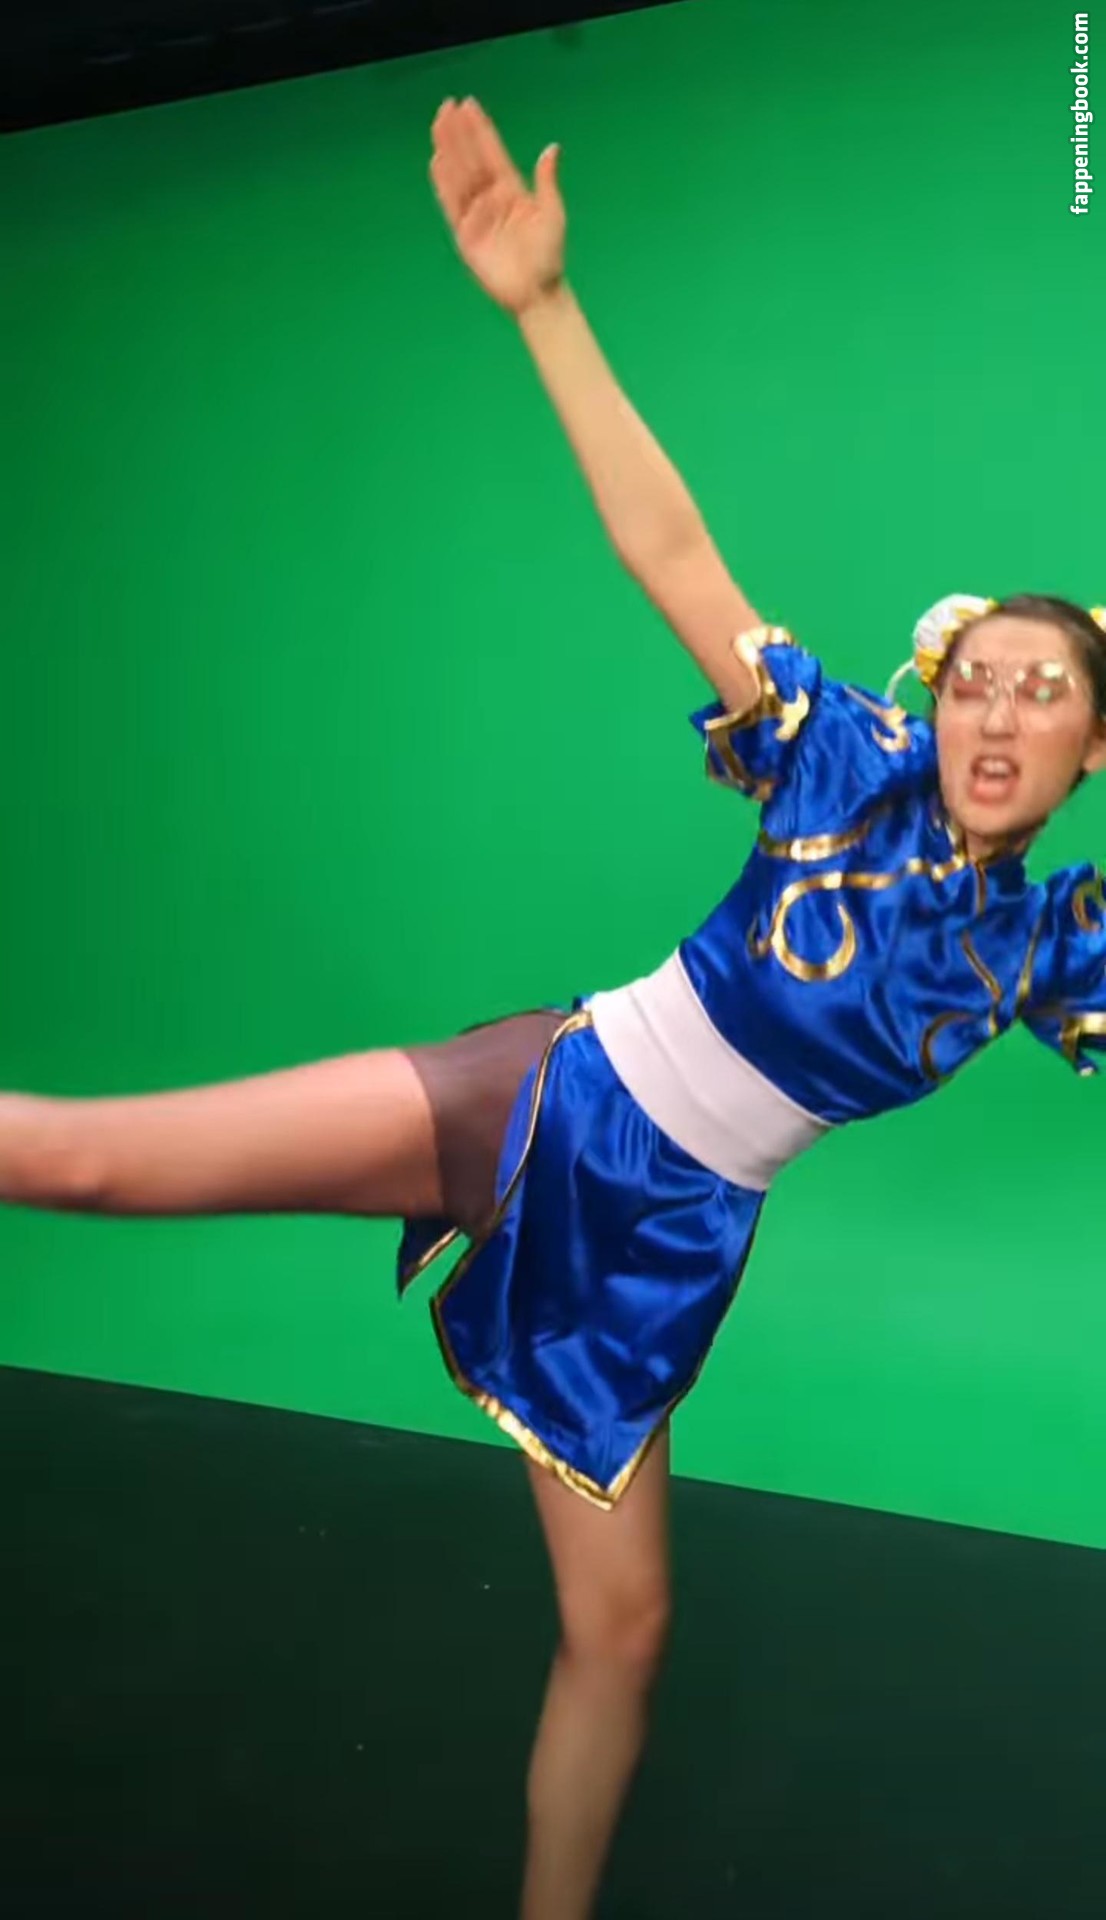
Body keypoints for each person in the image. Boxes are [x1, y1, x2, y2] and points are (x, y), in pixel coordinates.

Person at [3, 93, 1106, 1920]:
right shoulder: (841, 759)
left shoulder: (1057, 948)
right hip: (544, 1100)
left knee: (625, 1635)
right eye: (976, 680)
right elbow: (673, 554)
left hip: (663, 1244)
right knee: (84, 1163)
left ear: (1089, 749)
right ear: (937, 698)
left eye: (1043, 694)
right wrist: (542, 303)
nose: (996, 714)